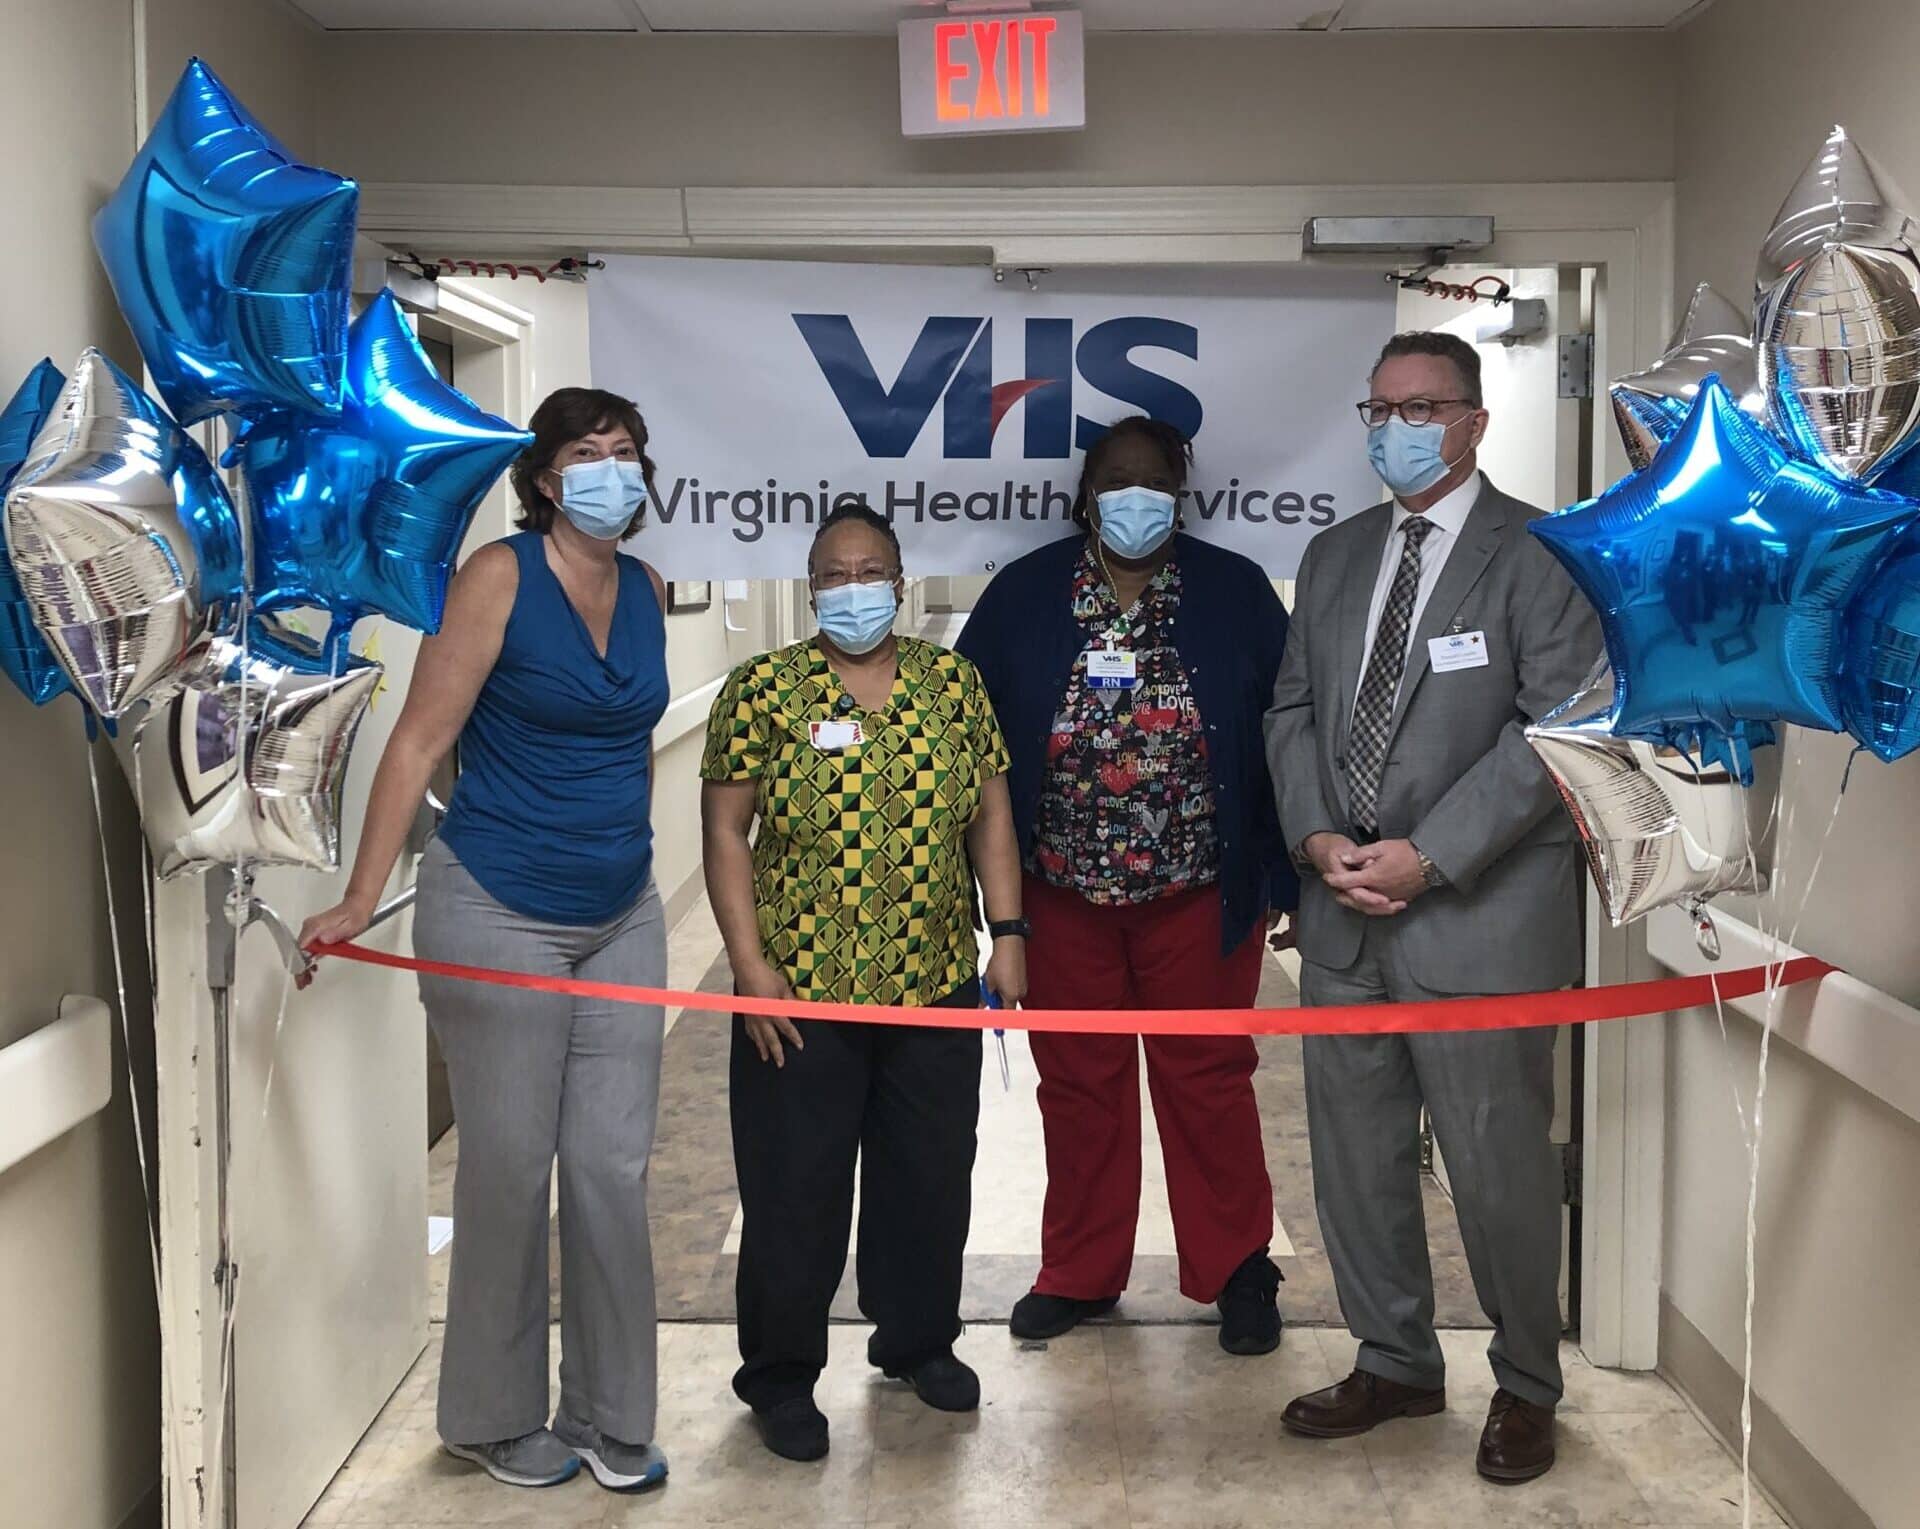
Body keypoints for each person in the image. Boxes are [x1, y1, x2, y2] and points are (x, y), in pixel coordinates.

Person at [300, 387, 672, 1495]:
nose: (612, 468)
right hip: (498, 903)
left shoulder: (648, 587)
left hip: (622, 911)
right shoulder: (500, 576)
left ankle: (611, 1411)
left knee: (609, 1168)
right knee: (510, 1170)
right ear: (548, 478)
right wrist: (365, 890)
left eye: (628, 451)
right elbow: (418, 741)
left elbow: (628, 740)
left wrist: (623, 852)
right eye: (587, 453)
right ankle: (491, 1416)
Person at [1263, 332, 1600, 1483]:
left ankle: (1525, 1383)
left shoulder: (1541, 553)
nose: (1391, 427)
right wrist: (1318, 838)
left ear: (1472, 421)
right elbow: (1294, 710)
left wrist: (1431, 855)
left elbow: (1558, 727)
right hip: (1344, 917)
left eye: (1417, 406)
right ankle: (1396, 1358)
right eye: (1377, 407)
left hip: (1482, 916)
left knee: (1499, 1165)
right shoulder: (1335, 553)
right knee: (1356, 1162)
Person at [955, 416, 1295, 1356]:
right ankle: (1080, 1268)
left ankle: (1237, 1269)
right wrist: (996, 910)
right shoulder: (1025, 595)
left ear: (1180, 496)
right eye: (1117, 481)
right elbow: (973, 750)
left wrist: (1289, 872)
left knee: (1209, 1080)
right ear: (1085, 495)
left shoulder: (1233, 592)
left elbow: (1286, 734)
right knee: (1079, 1083)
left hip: (1200, 892)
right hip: (1062, 896)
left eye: (1154, 481)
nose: (1135, 497)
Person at [699, 502, 1026, 1464]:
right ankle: (781, 1375)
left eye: (870, 569)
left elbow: (991, 815)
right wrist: (751, 969)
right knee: (794, 1188)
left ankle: (918, 1340)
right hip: (799, 993)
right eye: (834, 574)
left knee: (927, 1177)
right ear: (812, 589)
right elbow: (725, 832)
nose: (855, 588)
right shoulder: (763, 688)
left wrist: (1006, 934)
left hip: (930, 984)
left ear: (899, 577)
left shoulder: (951, 683)